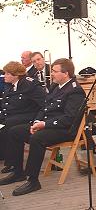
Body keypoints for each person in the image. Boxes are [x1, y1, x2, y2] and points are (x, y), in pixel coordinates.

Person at [0, 58, 85, 196]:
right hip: (48, 124)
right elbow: (45, 107)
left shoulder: (75, 91)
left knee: (37, 138)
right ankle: (17, 172)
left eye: (55, 71)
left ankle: (33, 181)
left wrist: (44, 124)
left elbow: (69, 119)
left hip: (64, 130)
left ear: (66, 73)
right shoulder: (56, 86)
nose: (51, 74)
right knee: (14, 131)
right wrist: (37, 121)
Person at [0, 62, 46, 173]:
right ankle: (9, 160)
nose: (4, 76)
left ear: (15, 75)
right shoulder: (12, 85)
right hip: (14, 115)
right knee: (5, 124)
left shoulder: (30, 85)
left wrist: (37, 120)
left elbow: (44, 104)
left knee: (8, 126)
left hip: (28, 117)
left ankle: (13, 164)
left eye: (7, 74)